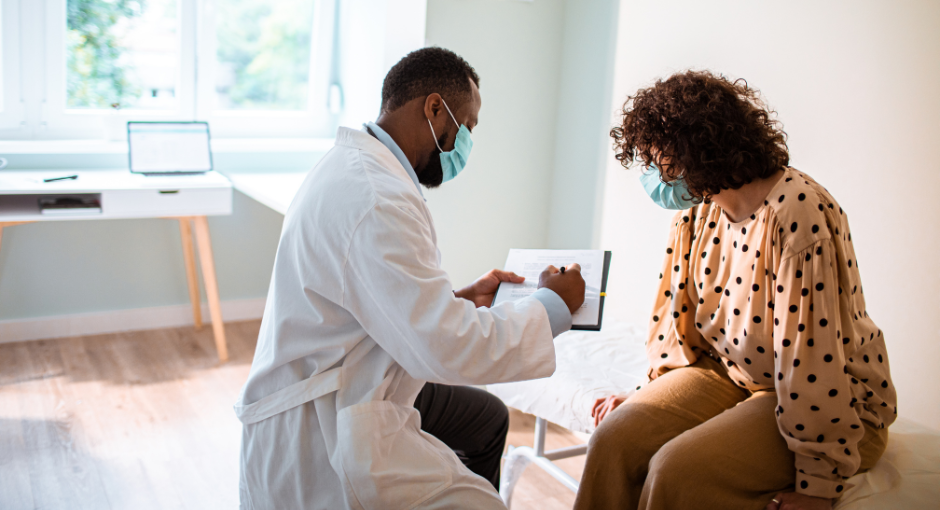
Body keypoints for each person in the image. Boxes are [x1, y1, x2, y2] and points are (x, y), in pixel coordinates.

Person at [234, 47, 586, 510]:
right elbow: (447, 347)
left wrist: (458, 297)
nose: (466, 147)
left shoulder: (359, 167)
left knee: (485, 419)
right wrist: (552, 305)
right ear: (435, 109)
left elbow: (371, 294)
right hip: (328, 416)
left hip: (359, 369)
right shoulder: (378, 198)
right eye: (468, 127)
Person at [575, 71, 896, 510]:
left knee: (677, 469)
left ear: (699, 149)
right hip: (730, 375)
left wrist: (818, 487)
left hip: (826, 398)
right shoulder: (697, 211)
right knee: (612, 441)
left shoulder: (799, 215)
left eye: (656, 158)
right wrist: (648, 395)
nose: (651, 173)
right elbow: (676, 325)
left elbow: (811, 357)